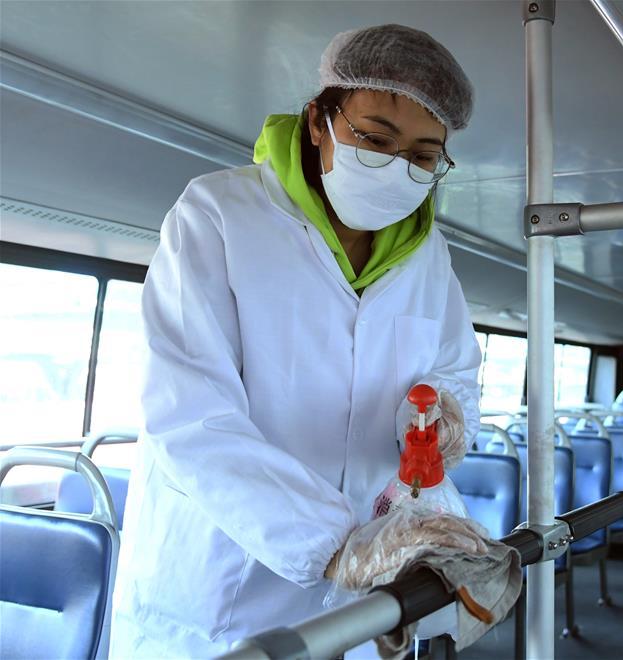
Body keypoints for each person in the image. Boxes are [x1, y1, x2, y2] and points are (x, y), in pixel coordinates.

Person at [110, 23, 481, 658]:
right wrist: (333, 544)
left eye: (422, 157)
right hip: (221, 597)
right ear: (318, 121)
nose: (396, 168)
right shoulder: (218, 215)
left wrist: (444, 416)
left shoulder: (429, 255)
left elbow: (452, 370)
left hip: (365, 594)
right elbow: (191, 416)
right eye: (375, 139)